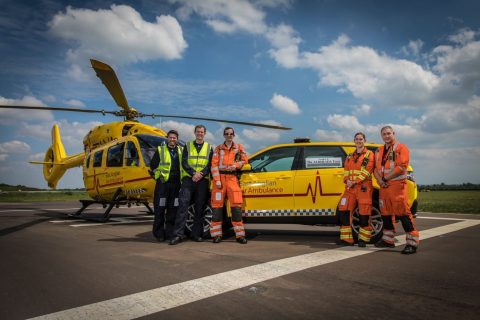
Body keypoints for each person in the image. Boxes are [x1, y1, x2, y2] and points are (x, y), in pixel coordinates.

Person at [373, 126, 419, 254]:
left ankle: (412, 244)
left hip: (397, 187)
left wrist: (385, 179)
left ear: (393, 133)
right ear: (381, 136)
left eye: (389, 133)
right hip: (383, 187)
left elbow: (401, 167)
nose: (386, 136)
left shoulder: (401, 148)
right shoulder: (379, 150)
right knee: (385, 213)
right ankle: (388, 241)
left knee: (403, 214)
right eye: (384, 134)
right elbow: (375, 169)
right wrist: (380, 181)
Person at [170, 125, 213, 245]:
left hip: (202, 180)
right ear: (195, 133)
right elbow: (184, 162)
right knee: (183, 206)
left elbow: (210, 165)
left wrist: (201, 174)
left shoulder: (209, 147)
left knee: (200, 208)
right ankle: (178, 235)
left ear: (205, 133)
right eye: (198, 132)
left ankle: (196, 234)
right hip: (189, 179)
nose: (200, 134)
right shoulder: (187, 146)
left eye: (202, 132)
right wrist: (193, 173)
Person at [209, 127, 249, 244]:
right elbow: (214, 165)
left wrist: (236, 165)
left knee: (236, 207)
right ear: (224, 135)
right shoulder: (218, 148)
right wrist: (217, 180)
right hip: (220, 180)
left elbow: (245, 161)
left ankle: (240, 235)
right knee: (217, 208)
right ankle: (216, 235)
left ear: (233, 135)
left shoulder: (239, 148)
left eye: (231, 134)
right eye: (227, 134)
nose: (229, 135)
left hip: (232, 179)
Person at [336, 132, 375, 247]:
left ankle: (363, 240)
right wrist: (347, 180)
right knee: (344, 210)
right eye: (357, 139)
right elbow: (346, 170)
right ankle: (347, 239)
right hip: (350, 188)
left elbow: (367, 171)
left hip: (363, 187)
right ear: (354, 141)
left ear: (364, 141)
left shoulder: (369, 154)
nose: (359, 141)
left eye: (361, 139)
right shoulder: (349, 156)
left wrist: (355, 181)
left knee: (364, 214)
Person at [150, 130, 182, 242]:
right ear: (167, 138)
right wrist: (159, 177)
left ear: (177, 139)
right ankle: (158, 233)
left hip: (176, 184)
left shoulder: (181, 150)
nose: (172, 139)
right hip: (163, 185)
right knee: (160, 209)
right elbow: (153, 165)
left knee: (173, 209)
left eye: (174, 138)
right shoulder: (160, 150)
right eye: (170, 137)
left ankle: (170, 233)